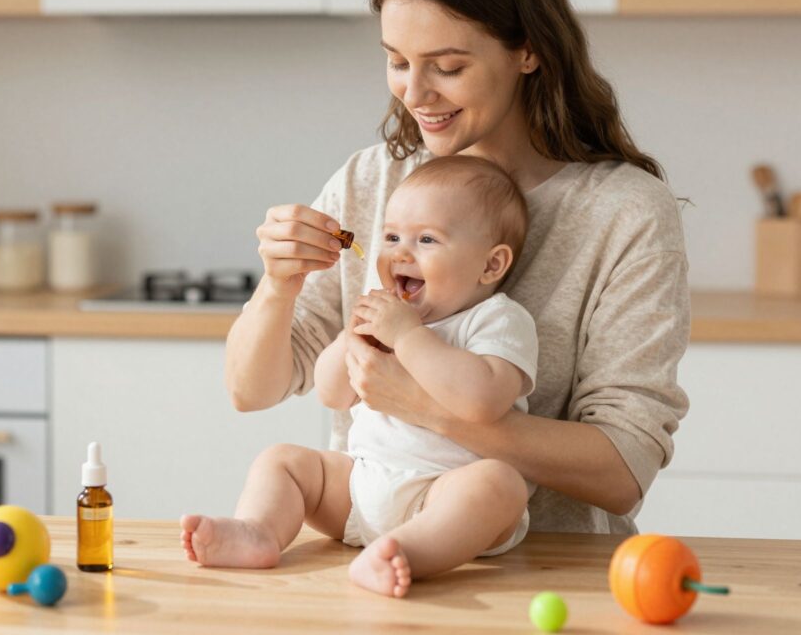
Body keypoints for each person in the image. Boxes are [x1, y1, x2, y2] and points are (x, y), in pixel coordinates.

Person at [225, 0, 689, 542]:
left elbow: (623, 468)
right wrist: (276, 286)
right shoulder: (372, 182)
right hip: (376, 561)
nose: (414, 94)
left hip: (555, 575)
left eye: (447, 66)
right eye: (396, 60)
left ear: (528, 51)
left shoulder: (623, 212)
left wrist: (425, 404)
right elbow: (252, 391)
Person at [182, 156, 538, 597]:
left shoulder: (496, 319)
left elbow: (481, 401)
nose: (400, 253)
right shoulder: (386, 316)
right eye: (391, 237)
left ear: (490, 265)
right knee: (282, 461)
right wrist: (352, 338)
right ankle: (258, 532)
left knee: (499, 485)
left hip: (444, 496)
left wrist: (407, 336)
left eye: (426, 239)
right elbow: (332, 394)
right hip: (361, 488)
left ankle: (404, 552)